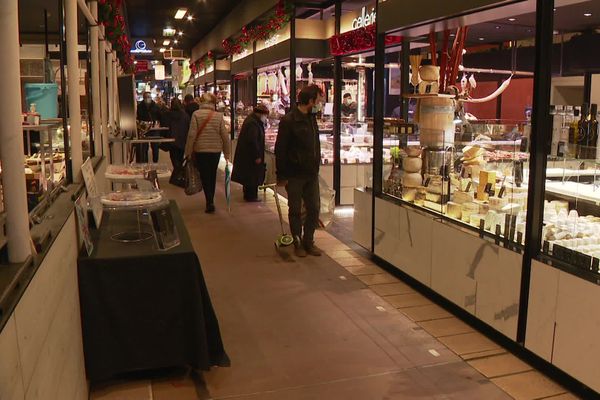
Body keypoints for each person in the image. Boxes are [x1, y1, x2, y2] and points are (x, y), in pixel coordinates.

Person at [275, 84, 324, 257]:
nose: (320, 104)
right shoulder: (289, 121)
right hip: (294, 174)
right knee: (295, 210)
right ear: (310, 101)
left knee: (314, 208)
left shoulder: (312, 119)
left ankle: (308, 241)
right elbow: (280, 149)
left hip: (311, 173)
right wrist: (281, 175)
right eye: (318, 100)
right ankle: (297, 241)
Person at [184, 93, 231, 213]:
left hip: (201, 150)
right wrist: (227, 153)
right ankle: (210, 200)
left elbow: (191, 135)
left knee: (205, 175)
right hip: (215, 151)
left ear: (201, 102)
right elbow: (225, 136)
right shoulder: (218, 116)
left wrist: (188, 151)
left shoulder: (196, 114)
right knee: (212, 175)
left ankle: (209, 201)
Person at [232, 104, 268, 202]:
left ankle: (249, 194)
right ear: (260, 114)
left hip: (247, 155)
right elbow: (253, 140)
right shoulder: (253, 123)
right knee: (252, 175)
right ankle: (251, 196)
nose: (266, 118)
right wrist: (257, 155)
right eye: (265, 115)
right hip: (251, 156)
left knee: (250, 175)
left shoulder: (252, 121)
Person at [165, 98, 190, 187]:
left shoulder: (168, 114)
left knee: (174, 158)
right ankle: (176, 177)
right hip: (182, 140)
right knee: (180, 158)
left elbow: (165, 127)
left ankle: (175, 177)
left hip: (172, 141)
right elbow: (188, 128)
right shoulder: (185, 115)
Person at [136, 92, 160, 163]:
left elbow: (159, 116)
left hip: (154, 129)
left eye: (149, 97)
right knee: (144, 147)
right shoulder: (140, 106)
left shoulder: (155, 106)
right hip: (144, 129)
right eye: (146, 97)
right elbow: (139, 117)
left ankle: (155, 163)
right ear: (143, 98)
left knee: (155, 147)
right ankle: (145, 163)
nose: (147, 98)